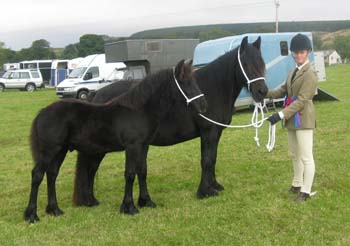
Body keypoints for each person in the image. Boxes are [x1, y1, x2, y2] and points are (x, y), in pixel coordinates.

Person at [266, 33, 318, 202]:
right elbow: (282, 90)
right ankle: (296, 184)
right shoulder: (293, 71)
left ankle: (306, 191)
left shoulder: (310, 73)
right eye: (295, 53)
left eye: (301, 52)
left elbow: (302, 100)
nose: (298, 55)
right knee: (295, 154)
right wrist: (264, 93)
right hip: (291, 119)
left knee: (306, 157)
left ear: (308, 52)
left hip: (303, 118)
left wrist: (281, 114)